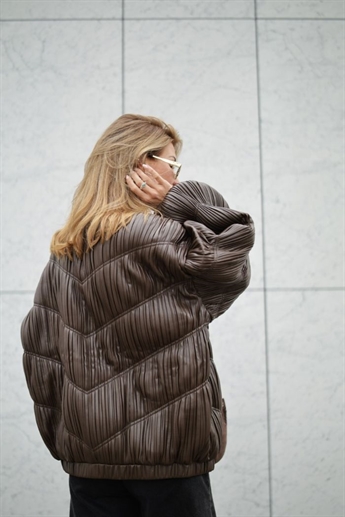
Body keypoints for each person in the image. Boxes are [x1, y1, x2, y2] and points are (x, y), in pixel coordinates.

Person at [21, 114, 255, 517]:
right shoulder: (165, 239)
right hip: (169, 457)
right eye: (172, 162)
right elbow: (231, 252)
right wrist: (177, 202)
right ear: (142, 164)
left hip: (90, 460)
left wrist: (69, 441)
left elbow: (41, 357)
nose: (176, 176)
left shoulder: (64, 256)